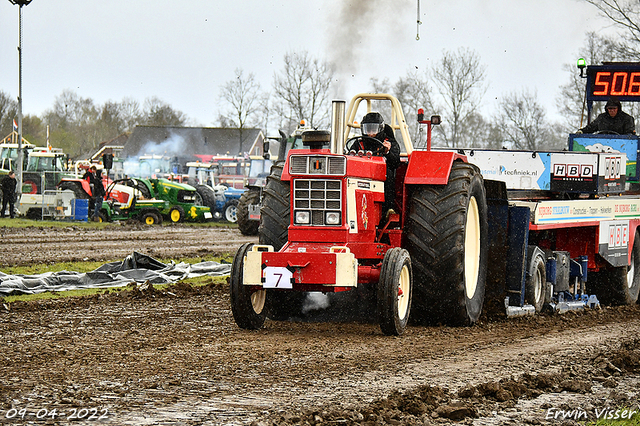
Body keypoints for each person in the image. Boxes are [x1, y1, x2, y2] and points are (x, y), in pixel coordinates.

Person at [352, 112, 401, 218]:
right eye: (367, 130)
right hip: (360, 176)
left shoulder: (389, 143)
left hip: (382, 178)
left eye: (373, 130)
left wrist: (387, 152)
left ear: (380, 129)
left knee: (387, 172)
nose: (370, 134)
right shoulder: (358, 144)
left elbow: (396, 163)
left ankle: (388, 208)